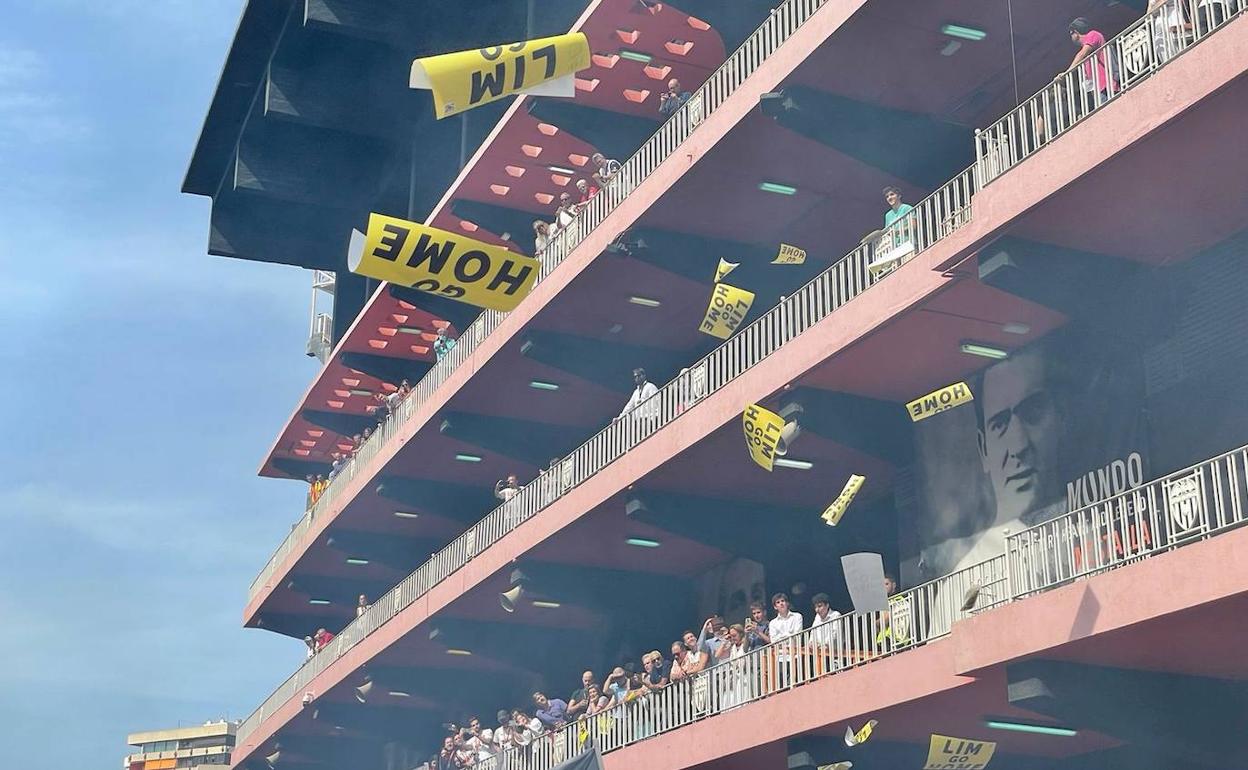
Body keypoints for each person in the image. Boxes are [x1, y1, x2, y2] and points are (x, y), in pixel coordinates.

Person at [768, 592, 803, 685]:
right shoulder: (773, 623)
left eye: (783, 601)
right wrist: (788, 635)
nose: (781, 604)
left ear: (787, 603)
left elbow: (797, 634)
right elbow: (774, 641)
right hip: (780, 656)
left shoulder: (797, 616)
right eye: (778, 602)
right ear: (775, 607)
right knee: (782, 684)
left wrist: (782, 638)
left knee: (795, 682)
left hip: (795, 654)